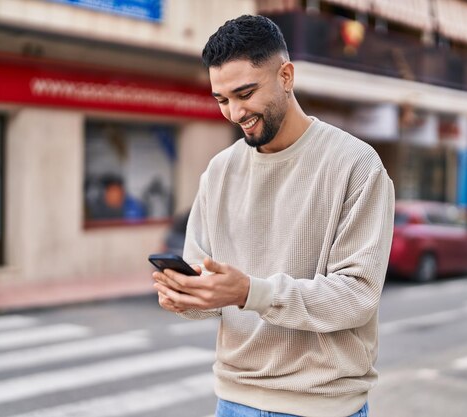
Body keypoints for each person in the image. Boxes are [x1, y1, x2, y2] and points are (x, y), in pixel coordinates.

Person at [152, 15, 394, 417]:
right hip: (233, 401)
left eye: (245, 93)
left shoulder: (357, 165)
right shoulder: (219, 171)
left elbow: (356, 298)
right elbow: (213, 297)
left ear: (285, 76)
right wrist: (185, 295)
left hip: (322, 407)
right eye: (222, 99)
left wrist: (250, 292)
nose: (234, 113)